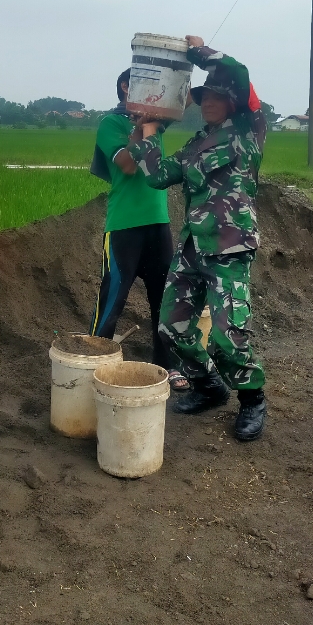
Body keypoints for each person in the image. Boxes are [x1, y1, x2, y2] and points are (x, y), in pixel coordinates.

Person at [129, 35, 268, 441]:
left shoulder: (249, 130)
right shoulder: (196, 142)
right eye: (203, 96)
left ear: (234, 102)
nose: (208, 101)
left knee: (228, 336)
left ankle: (252, 398)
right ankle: (209, 386)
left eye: (217, 96)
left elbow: (238, 73)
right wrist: (149, 132)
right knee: (171, 327)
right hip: (193, 247)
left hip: (230, 247)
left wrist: (199, 53)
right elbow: (158, 176)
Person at [88, 69, 184, 390]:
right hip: (123, 226)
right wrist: (146, 129)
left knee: (164, 299)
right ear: (125, 87)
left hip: (158, 223)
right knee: (113, 297)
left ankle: (166, 365)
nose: (152, 94)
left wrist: (151, 123)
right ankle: (93, 359)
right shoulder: (110, 124)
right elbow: (127, 165)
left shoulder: (155, 123)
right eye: (145, 87)